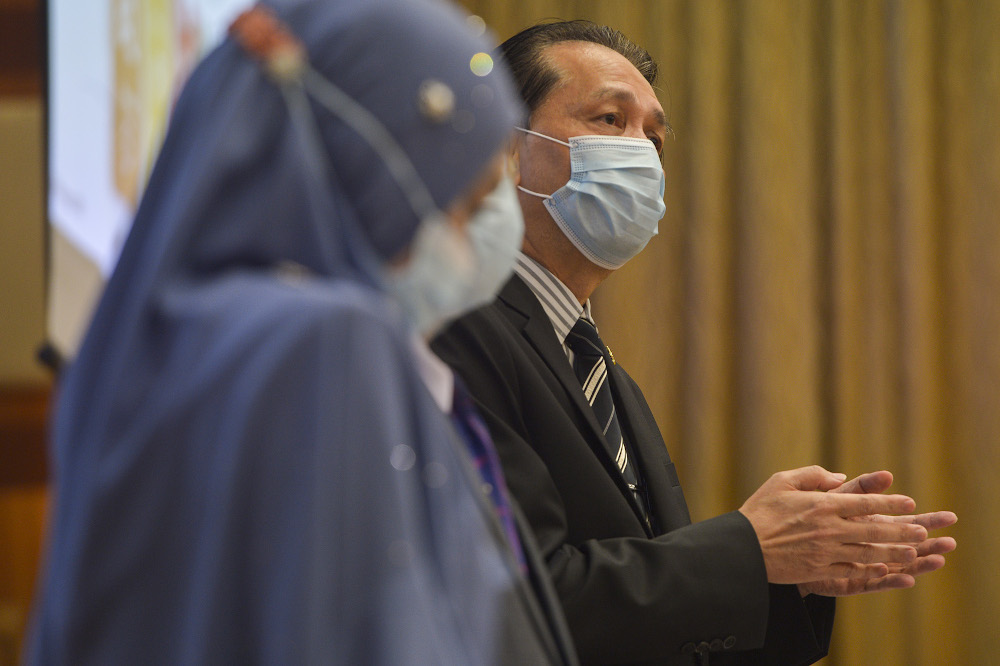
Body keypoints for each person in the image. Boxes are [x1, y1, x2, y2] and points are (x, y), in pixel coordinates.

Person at [27, 1, 578, 663]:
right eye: (460, 207)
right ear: (370, 171)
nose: (464, 245)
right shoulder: (329, 343)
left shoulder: (154, 344)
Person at [432, 20, 958, 665]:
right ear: (503, 149)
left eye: (654, 136)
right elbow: (509, 603)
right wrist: (747, 550)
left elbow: (646, 621)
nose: (643, 153)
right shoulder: (455, 327)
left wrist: (782, 575)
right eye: (608, 119)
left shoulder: (601, 371)